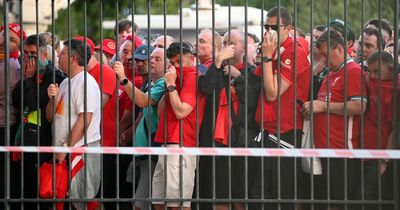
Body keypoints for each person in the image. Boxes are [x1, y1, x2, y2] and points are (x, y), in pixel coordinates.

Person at [300, 30, 367, 210]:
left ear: (339, 48)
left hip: (343, 152)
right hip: (325, 151)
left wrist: (322, 107)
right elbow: (324, 105)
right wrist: (311, 109)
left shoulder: (353, 71)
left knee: (340, 203)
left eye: (325, 54)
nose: (322, 60)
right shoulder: (330, 74)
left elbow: (359, 106)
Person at [254, 6, 311, 210]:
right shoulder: (275, 49)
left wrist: (268, 57)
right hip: (268, 130)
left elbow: (272, 92)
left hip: (285, 132)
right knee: (260, 196)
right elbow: (258, 76)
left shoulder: (294, 52)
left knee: (281, 195)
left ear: (288, 28)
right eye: (265, 27)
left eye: (274, 27)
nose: (268, 31)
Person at [198, 29, 261, 210]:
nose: (226, 47)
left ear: (243, 48)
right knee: (219, 197)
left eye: (231, 43)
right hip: (216, 143)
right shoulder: (216, 69)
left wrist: (238, 77)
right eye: (224, 43)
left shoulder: (253, 72)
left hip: (242, 142)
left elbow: (253, 101)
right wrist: (217, 62)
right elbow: (205, 88)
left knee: (241, 197)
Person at [11, 34, 65, 209]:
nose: (28, 57)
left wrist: (28, 78)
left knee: (39, 192)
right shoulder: (28, 72)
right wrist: (27, 78)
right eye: (25, 53)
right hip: (25, 137)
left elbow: (35, 103)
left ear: (43, 55)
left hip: (43, 141)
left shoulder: (54, 76)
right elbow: (16, 101)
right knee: (23, 190)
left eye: (33, 53)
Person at [47, 39, 101, 210]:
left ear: (72, 58)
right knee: (64, 201)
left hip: (78, 152)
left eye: (62, 53)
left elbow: (85, 120)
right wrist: (52, 99)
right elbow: (50, 117)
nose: (58, 56)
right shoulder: (65, 82)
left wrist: (66, 149)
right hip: (65, 152)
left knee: (81, 202)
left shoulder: (86, 81)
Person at [152, 42, 205, 210]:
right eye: (172, 63)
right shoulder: (174, 78)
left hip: (181, 144)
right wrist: (169, 85)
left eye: (179, 62)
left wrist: (171, 85)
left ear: (192, 58)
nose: (175, 66)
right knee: (158, 202)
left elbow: (181, 111)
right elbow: (160, 111)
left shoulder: (193, 77)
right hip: (166, 143)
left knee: (178, 204)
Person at [114, 47, 166, 210]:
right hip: (143, 151)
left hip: (154, 152)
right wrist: (131, 132)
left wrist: (123, 78)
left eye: (157, 59)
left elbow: (143, 101)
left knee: (141, 203)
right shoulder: (152, 83)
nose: (151, 61)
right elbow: (142, 114)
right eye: (151, 57)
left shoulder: (164, 83)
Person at [74, 35, 118, 210]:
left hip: (103, 141)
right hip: (84, 140)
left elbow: (96, 105)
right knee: (82, 192)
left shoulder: (105, 72)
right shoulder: (78, 75)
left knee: (96, 194)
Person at [359, 51, 399, 210]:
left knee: (367, 195)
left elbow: (396, 129)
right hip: (361, 150)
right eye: (370, 71)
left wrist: (385, 159)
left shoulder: (395, 90)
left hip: (380, 153)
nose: (372, 75)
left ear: (391, 68)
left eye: (376, 71)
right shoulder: (370, 81)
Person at [0, 23, 26, 209]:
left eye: (12, 39)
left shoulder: (9, 66)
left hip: (4, 126)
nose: (4, 41)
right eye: (3, 35)